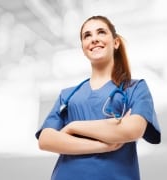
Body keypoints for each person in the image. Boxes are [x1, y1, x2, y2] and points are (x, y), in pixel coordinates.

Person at [35, 15, 161, 180]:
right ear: (83, 48)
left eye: (101, 32)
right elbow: (46, 140)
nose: (94, 39)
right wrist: (104, 145)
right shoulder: (68, 95)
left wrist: (74, 127)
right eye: (87, 35)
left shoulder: (135, 88)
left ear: (115, 43)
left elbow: (132, 130)